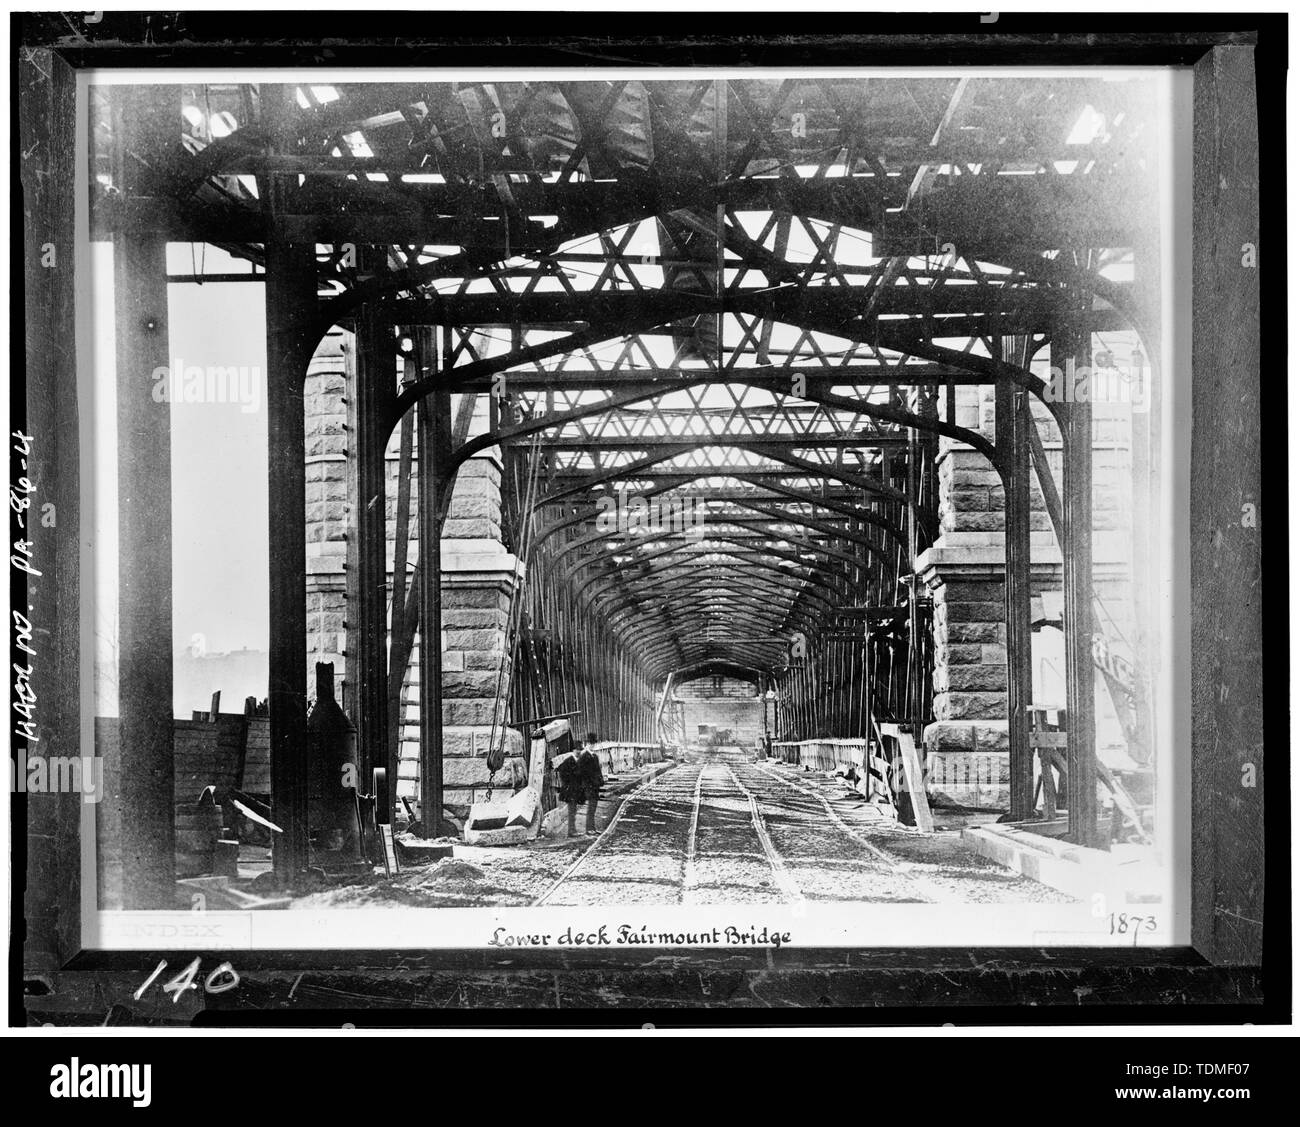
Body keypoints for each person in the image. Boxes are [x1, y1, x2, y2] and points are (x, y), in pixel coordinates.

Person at [558, 733, 605, 837]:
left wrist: (600, 780)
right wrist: (569, 784)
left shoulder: (593, 757)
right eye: (576, 750)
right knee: (573, 811)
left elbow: (596, 771)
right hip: (575, 788)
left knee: (583, 809)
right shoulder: (575, 759)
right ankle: (576, 830)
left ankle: (585, 829)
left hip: (586, 787)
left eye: (594, 743)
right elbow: (577, 774)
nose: (578, 751)